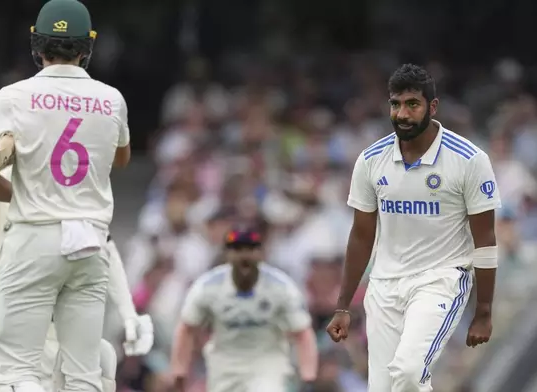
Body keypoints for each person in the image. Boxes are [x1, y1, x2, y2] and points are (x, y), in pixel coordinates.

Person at [0, 0, 132, 390]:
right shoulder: (111, 99)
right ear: (86, 47)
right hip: (90, 241)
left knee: (17, 369)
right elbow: (121, 160)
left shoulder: (13, 96)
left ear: (37, 45)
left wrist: (26, 193)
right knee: (84, 372)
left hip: (34, 237)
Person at [326, 64, 501, 392]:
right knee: (382, 388)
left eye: (412, 104)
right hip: (384, 287)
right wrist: (342, 305)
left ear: (432, 107)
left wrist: (484, 311)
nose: (402, 114)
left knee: (407, 373)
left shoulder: (469, 160)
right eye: (395, 104)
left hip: (440, 281)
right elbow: (362, 236)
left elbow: (486, 240)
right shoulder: (371, 160)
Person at [0, 167, 154, 392]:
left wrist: (130, 315)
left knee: (102, 358)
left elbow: (103, 247)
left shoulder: (77, 179)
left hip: (50, 333)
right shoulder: (6, 174)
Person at [170, 227, 318, 392]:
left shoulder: (281, 287)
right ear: (228, 255)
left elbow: (302, 333)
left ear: (261, 254)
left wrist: (308, 376)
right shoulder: (208, 287)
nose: (244, 256)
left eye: (251, 249)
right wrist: (179, 372)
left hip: (267, 363)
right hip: (224, 366)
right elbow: (187, 328)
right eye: (238, 250)